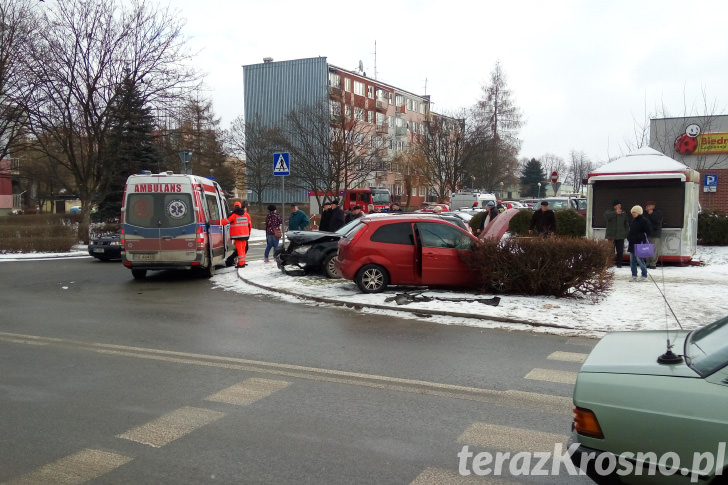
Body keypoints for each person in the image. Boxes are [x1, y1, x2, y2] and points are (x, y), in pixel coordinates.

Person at [627, 205, 651, 282]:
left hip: (640, 243)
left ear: (638, 212)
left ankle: (644, 275)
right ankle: (634, 275)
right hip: (632, 243)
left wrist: (639, 237)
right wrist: (629, 237)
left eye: (634, 212)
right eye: (632, 212)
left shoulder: (644, 221)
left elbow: (648, 232)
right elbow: (631, 231)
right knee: (632, 260)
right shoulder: (633, 220)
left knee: (639, 259)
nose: (632, 214)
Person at [604, 199, 629, 268]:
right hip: (611, 235)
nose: (619, 206)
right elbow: (606, 217)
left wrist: (626, 233)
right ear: (614, 206)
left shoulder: (623, 213)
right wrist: (615, 213)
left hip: (621, 235)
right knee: (610, 251)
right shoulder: (609, 212)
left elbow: (626, 223)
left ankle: (619, 264)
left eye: (620, 205)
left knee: (620, 251)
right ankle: (610, 263)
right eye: (617, 205)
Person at [227, 200, 251, 268]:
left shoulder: (233, 215)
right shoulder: (246, 215)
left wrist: (215, 222)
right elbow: (249, 225)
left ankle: (241, 264)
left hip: (237, 236)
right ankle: (242, 262)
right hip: (245, 235)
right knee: (243, 249)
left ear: (234, 207)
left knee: (240, 250)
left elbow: (226, 221)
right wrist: (248, 233)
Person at [644, 201, 663, 269]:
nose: (647, 207)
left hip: (655, 233)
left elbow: (658, 221)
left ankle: (653, 263)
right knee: (647, 249)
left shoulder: (658, 213)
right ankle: (648, 262)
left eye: (649, 206)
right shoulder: (644, 213)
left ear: (653, 206)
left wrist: (651, 214)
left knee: (654, 249)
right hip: (646, 233)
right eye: (647, 206)